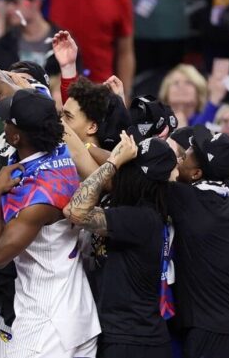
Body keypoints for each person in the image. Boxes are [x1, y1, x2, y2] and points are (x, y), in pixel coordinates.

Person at [0, 88, 100, 357]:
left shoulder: (37, 198)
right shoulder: (63, 151)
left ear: (15, 136)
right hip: (77, 314)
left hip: (45, 327)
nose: (4, 123)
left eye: (8, 121)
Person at [65, 133, 176, 358]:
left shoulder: (141, 218)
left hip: (131, 342)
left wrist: (114, 162)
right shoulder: (141, 213)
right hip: (131, 338)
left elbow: (75, 211)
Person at [171, 125, 229, 358]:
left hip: (214, 335)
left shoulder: (189, 199)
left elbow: (132, 177)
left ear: (196, 174)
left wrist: (87, 146)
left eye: (185, 157)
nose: (179, 159)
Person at [0, 0, 60, 76]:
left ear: (36, 2)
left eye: (15, 2)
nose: (9, 8)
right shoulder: (1, 47)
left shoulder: (63, 41)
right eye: (8, 2)